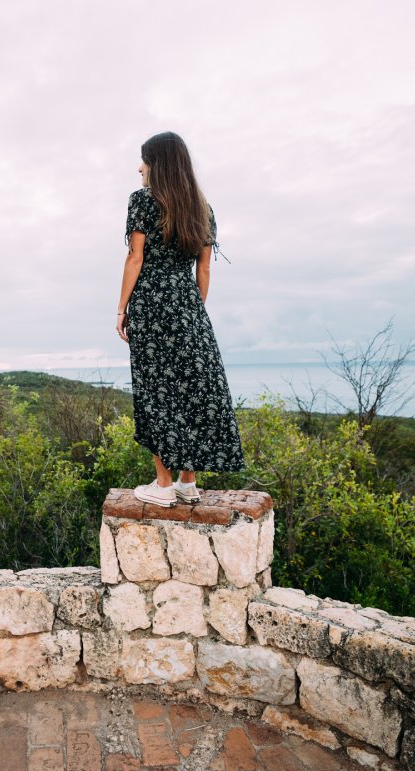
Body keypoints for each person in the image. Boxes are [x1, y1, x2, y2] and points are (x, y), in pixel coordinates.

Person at [116, 132, 246, 507]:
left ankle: (163, 485)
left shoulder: (142, 200)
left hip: (151, 305)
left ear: (158, 164)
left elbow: (135, 258)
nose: (140, 168)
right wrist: (192, 312)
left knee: (157, 391)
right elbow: (204, 269)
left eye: (144, 160)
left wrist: (122, 309)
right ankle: (188, 483)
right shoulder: (203, 208)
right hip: (190, 307)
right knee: (195, 388)